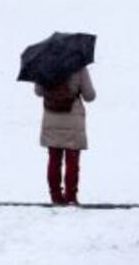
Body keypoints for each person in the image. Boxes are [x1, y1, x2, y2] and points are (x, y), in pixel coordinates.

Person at [36, 66, 96, 205]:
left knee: (54, 160)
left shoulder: (45, 64)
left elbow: (38, 92)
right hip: (72, 119)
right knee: (72, 161)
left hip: (51, 117)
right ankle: (71, 197)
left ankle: (56, 196)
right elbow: (90, 96)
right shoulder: (79, 66)